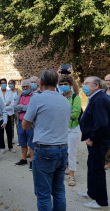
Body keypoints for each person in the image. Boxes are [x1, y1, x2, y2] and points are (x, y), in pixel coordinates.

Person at [22, 69, 71, 211]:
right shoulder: (64, 99)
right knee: (59, 191)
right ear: (56, 83)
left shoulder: (37, 99)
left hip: (45, 150)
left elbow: (25, 125)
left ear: (41, 82)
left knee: (43, 194)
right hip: (62, 148)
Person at [78, 76, 110, 209]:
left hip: (98, 142)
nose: (84, 85)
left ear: (96, 86)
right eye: (84, 83)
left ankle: (101, 201)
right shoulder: (96, 97)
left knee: (98, 170)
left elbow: (101, 123)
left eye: (87, 83)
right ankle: (91, 193)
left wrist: (91, 138)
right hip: (94, 141)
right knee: (92, 167)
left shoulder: (100, 99)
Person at [59, 76, 82, 186]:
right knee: (61, 153)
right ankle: (61, 173)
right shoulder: (59, 97)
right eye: (61, 84)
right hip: (60, 129)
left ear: (70, 86)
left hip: (72, 129)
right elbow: (55, 112)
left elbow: (76, 114)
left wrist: (64, 113)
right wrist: (69, 111)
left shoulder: (75, 97)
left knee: (71, 153)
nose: (63, 86)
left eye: (66, 84)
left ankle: (72, 176)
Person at [14, 79, 35, 170]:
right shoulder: (19, 96)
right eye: (23, 87)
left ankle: (32, 161)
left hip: (31, 123)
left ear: (30, 87)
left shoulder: (34, 96)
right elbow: (15, 107)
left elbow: (32, 108)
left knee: (31, 143)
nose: (25, 88)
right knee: (22, 142)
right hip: (20, 122)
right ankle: (23, 159)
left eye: (26, 86)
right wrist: (25, 107)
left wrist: (21, 107)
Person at [0, 78, 15, 153]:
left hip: (9, 114)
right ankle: (2, 147)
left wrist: (3, 106)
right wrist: (6, 104)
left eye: (5, 83)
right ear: (0, 84)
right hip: (0, 116)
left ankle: (10, 146)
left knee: (9, 131)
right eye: (2, 83)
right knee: (1, 131)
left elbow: (12, 104)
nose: (4, 84)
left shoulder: (10, 92)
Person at [8, 79, 22, 144]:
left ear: (14, 84)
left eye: (11, 83)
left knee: (17, 124)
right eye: (9, 84)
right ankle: (11, 138)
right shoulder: (8, 91)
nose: (10, 85)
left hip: (16, 110)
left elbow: (20, 100)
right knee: (11, 125)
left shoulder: (18, 91)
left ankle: (20, 139)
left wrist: (14, 103)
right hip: (10, 110)